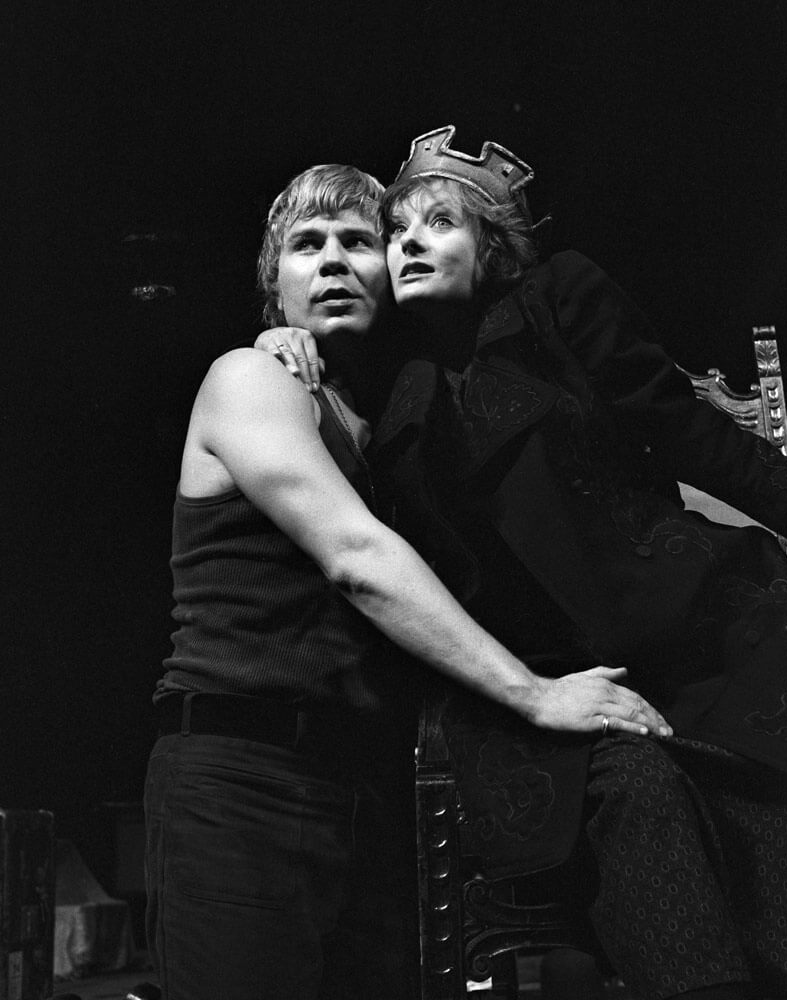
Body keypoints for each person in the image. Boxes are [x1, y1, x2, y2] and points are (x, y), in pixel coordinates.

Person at [258, 128, 787, 1000]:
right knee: (637, 793)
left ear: (493, 246)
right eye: (398, 229)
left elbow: (687, 428)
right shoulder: (383, 369)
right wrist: (279, 347)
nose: (409, 243)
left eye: (440, 223)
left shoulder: (558, 298)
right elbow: (317, 396)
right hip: (534, 678)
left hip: (687, 630)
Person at [145, 162, 667, 1000]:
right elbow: (357, 557)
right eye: (307, 245)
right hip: (241, 775)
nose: (333, 260)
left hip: (365, 784)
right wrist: (535, 695)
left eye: (358, 242)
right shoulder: (249, 379)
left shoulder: (383, 416)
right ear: (274, 286)